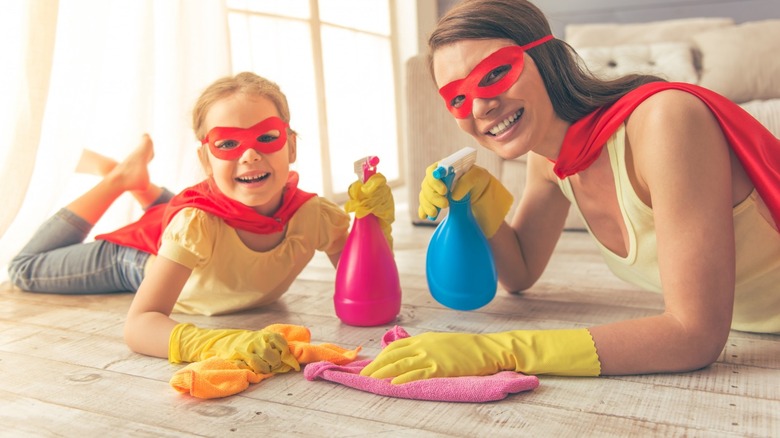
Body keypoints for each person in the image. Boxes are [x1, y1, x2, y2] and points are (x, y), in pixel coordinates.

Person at [361, 0, 780, 384]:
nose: (479, 107)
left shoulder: (664, 121)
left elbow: (695, 335)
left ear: (546, 57)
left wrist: (498, 350)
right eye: (457, 97)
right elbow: (520, 271)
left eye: (494, 73)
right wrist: (477, 201)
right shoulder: (550, 161)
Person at [8, 72, 394, 375]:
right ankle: (119, 180)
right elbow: (140, 324)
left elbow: (369, 297)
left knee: (183, 217)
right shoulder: (195, 224)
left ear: (291, 146)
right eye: (227, 144)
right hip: (137, 255)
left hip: (195, 230)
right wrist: (216, 345)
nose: (250, 155)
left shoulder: (315, 216)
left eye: (267, 137)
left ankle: (143, 186)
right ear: (206, 160)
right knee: (22, 269)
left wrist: (373, 225)